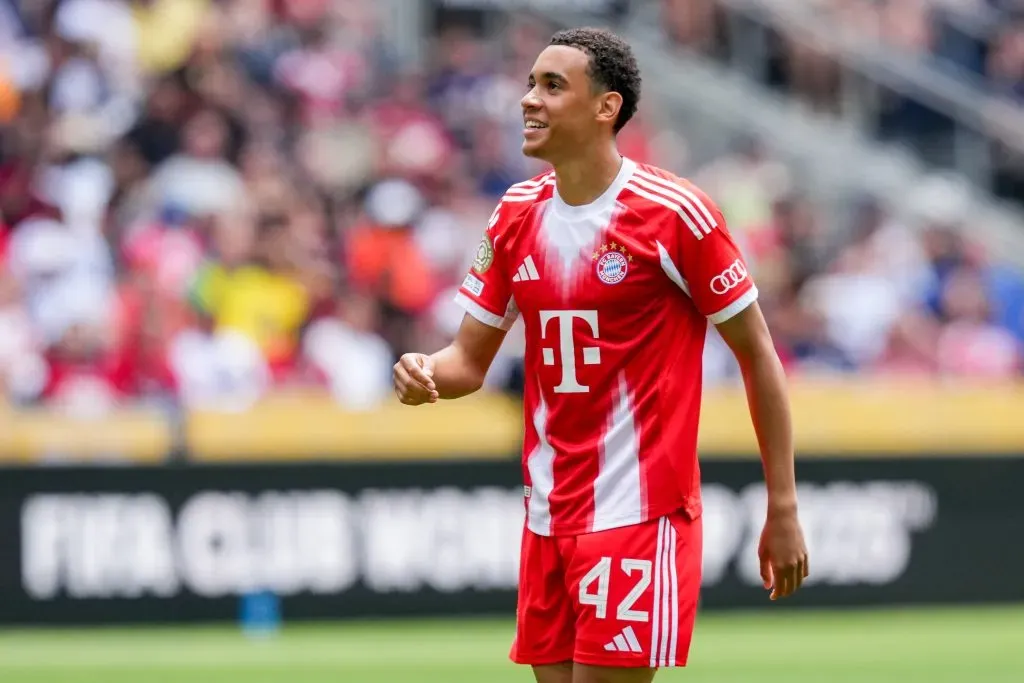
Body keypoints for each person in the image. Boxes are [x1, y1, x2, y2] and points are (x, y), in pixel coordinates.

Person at [393, 27, 809, 683]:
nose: (529, 99)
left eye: (552, 85)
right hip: (546, 516)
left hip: (637, 513)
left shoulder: (676, 214)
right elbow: (467, 362)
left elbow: (758, 355)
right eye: (530, 83)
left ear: (605, 107)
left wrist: (782, 505)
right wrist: (425, 372)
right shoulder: (514, 215)